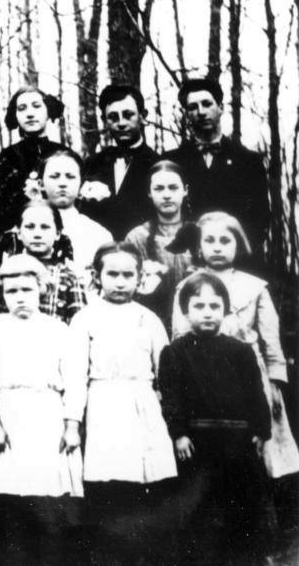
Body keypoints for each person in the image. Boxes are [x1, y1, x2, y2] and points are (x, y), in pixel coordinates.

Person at [0, 254, 85, 564]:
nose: (20, 297)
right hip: (9, 417)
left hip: (48, 417)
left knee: (49, 504)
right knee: (13, 504)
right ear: (1, 294)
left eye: (27, 289)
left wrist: (72, 426)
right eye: (12, 291)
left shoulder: (59, 330)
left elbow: (75, 382)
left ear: (41, 290)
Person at [70, 243, 177, 563]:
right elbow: (75, 376)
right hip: (103, 406)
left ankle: (141, 554)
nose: (120, 282)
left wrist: (170, 417)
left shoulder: (148, 319)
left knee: (146, 484)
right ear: (97, 276)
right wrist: (73, 423)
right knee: (109, 483)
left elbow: (166, 373)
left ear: (139, 278)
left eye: (128, 275)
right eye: (112, 274)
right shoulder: (85, 319)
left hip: (143, 406)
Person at [172, 212, 299, 479]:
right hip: (202, 375)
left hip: (250, 375)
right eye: (209, 240)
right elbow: (179, 335)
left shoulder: (255, 287)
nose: (217, 247)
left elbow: (270, 340)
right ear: (198, 246)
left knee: (258, 443)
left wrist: (275, 383)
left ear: (238, 244)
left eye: (225, 241)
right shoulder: (187, 287)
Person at [158, 272, 274, 564]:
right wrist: (179, 433)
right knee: (199, 507)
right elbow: (171, 397)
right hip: (197, 443)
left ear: (225, 309)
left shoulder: (241, 351)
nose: (207, 313)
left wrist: (261, 431)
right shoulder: (174, 353)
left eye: (215, 306)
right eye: (199, 306)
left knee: (243, 504)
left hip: (237, 441)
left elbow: (256, 393)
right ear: (186, 311)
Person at [162, 77, 270, 252]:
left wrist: (234, 251)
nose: (201, 112)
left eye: (207, 104)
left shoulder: (248, 161)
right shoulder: (172, 162)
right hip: (185, 256)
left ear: (221, 108)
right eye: (193, 107)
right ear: (186, 114)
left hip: (235, 257)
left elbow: (260, 219)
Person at [80, 84, 160, 238]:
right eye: (113, 117)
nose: (121, 123)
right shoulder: (91, 164)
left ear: (142, 116)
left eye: (128, 115)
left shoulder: (157, 165)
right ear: (105, 121)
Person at [123, 160, 193, 333]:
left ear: (185, 190)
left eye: (173, 188)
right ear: (149, 192)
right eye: (159, 188)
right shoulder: (137, 237)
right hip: (150, 322)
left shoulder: (200, 233)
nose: (166, 195)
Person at [0, 86, 70, 231]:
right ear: (15, 115)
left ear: (48, 111)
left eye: (36, 106)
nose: (29, 114)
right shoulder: (5, 159)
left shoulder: (65, 155)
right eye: (22, 108)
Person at [10, 201, 87, 323]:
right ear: (19, 233)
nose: (37, 234)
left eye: (45, 227)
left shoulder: (69, 277)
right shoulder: (8, 271)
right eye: (30, 227)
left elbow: (80, 323)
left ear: (57, 233)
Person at [38, 149, 112, 274]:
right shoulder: (26, 230)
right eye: (54, 176)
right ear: (41, 184)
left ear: (81, 184)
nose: (62, 183)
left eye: (70, 177)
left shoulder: (99, 234)